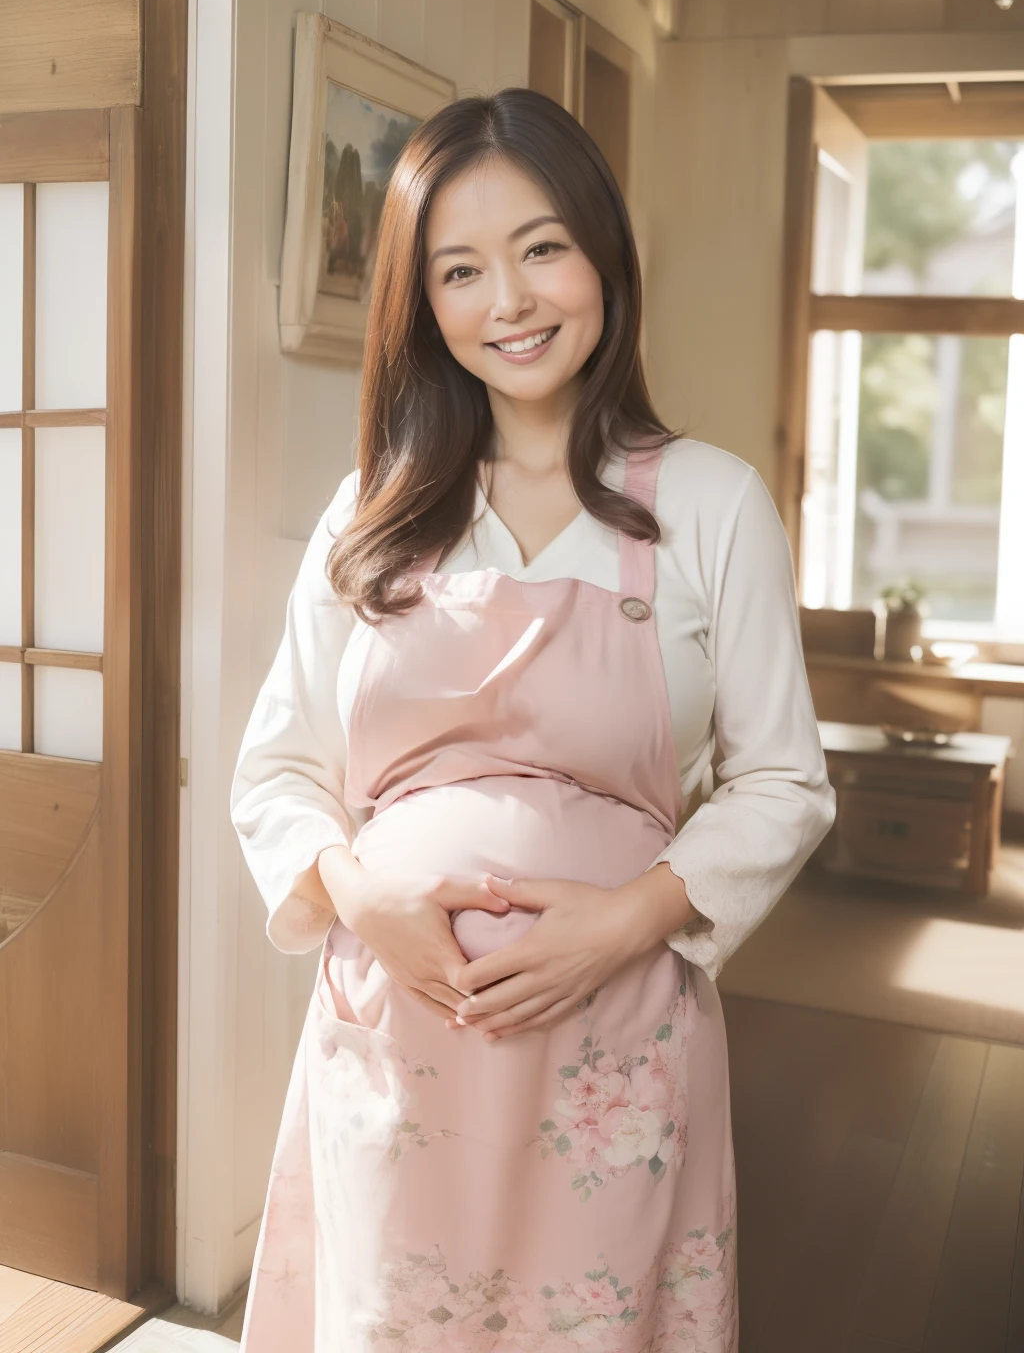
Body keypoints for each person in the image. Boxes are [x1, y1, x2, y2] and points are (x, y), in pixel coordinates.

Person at [230, 88, 835, 1352]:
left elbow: (784, 781)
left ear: (605, 255)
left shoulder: (713, 505)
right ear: (422, 304)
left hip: (612, 1046)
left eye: (542, 249)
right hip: (398, 1040)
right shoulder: (371, 513)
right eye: (460, 269)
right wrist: (362, 895)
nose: (507, 301)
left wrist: (628, 919)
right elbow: (277, 773)